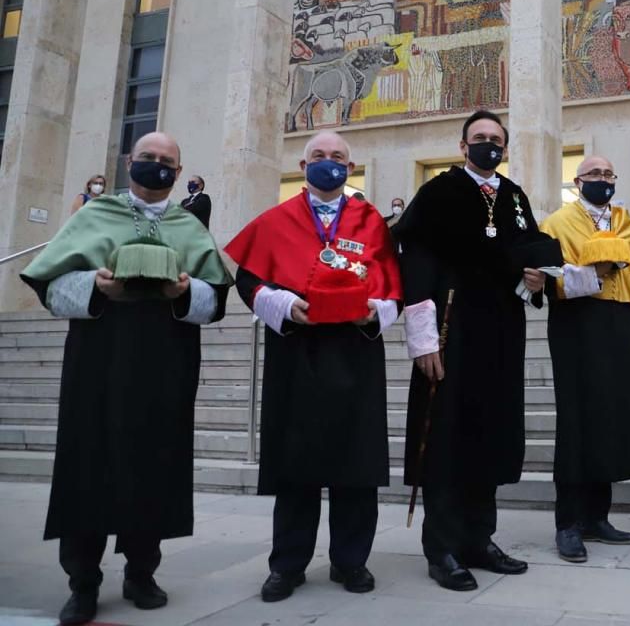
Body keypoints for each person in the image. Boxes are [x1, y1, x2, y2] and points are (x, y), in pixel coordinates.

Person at [20, 132, 232, 626]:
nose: (156, 167)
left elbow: (216, 298)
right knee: (87, 462)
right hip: (99, 361)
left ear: (179, 174)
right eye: (147, 159)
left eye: (166, 162)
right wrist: (94, 285)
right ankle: (83, 583)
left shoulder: (187, 224)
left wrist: (185, 290)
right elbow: (49, 283)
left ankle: (142, 573)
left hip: (165, 363)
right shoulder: (95, 215)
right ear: (128, 163)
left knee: (154, 463)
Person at [224, 130, 402, 602]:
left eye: (338, 157)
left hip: (355, 353)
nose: (329, 163)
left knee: (356, 462)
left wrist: (377, 310)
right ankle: (287, 564)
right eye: (319, 156)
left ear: (351, 166)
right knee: (296, 463)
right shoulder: (275, 220)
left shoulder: (371, 222)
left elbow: (394, 286)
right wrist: (280, 303)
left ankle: (351, 561)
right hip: (297, 353)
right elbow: (248, 281)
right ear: (303, 168)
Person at [394, 110, 544, 592]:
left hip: (500, 332)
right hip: (448, 328)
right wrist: (421, 336)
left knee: (490, 434)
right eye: (479, 139)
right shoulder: (438, 193)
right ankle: (442, 548)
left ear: (506, 147)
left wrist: (537, 275)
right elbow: (414, 259)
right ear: (462, 146)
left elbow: (530, 249)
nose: (488, 146)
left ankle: (480, 539)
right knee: (447, 437)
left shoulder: (515, 197)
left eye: (496, 139)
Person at [541, 156, 630, 563]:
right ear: (577, 181)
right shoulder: (557, 223)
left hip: (620, 326)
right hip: (577, 325)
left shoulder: (627, 224)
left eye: (609, 174)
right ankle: (569, 523)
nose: (603, 180)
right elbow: (546, 278)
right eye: (594, 174)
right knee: (577, 421)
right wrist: (592, 274)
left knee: (613, 418)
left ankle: (598, 516)